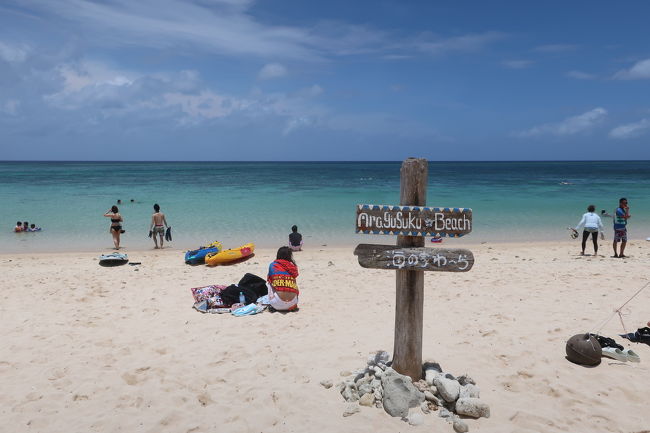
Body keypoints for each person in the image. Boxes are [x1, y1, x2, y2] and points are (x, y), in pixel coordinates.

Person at [266, 246, 300, 311]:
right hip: (293, 303)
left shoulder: (273, 265)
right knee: (293, 280)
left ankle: (276, 301)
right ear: (290, 256)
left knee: (269, 281)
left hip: (277, 304)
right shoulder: (293, 266)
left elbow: (270, 280)